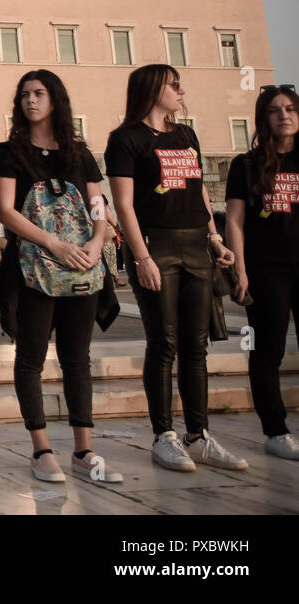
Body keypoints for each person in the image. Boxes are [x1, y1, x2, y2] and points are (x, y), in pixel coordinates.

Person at [105, 64, 245, 472]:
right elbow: (124, 204)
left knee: (195, 346)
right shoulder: (125, 139)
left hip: (195, 245)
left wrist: (215, 238)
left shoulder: (186, 136)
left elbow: (199, 188)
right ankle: (163, 435)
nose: (181, 91)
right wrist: (141, 257)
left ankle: (198, 436)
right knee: (163, 343)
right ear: (152, 90)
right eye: (173, 85)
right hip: (155, 246)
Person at [0, 70, 122, 485]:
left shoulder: (79, 154)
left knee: (77, 357)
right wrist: (53, 243)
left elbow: (98, 205)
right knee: (30, 357)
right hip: (34, 267)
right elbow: (6, 211)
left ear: (56, 100)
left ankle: (84, 449)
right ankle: (41, 449)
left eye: (39, 93)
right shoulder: (8, 151)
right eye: (25, 95)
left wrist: (96, 241)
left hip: (82, 263)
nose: (31, 101)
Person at [224, 83, 299, 460]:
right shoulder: (246, 164)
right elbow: (235, 220)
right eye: (275, 110)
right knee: (267, 350)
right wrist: (240, 268)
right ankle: (275, 430)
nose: (284, 116)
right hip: (268, 268)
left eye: (290, 109)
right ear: (263, 118)